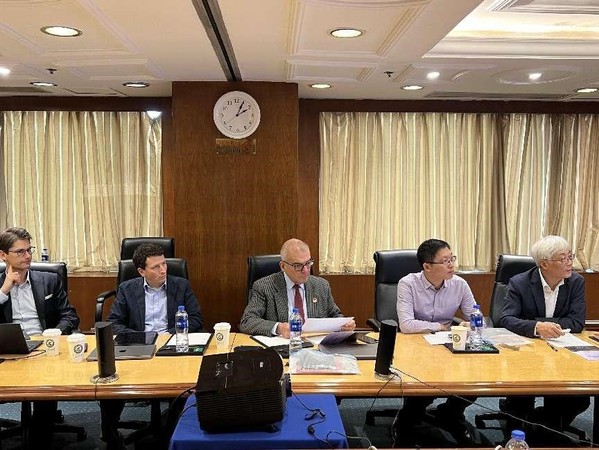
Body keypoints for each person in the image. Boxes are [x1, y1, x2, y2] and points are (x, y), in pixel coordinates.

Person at [101, 242, 203, 449]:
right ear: (141, 271)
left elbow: (195, 319)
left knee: (183, 387)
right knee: (110, 383)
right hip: (139, 346)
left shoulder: (181, 285)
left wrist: (169, 335)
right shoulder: (127, 289)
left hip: (172, 345)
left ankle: (172, 433)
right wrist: (144, 337)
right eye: (156, 267)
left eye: (164, 264)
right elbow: (115, 323)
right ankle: (111, 436)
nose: (163, 270)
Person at [498, 235, 589, 444]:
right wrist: (537, 327)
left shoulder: (576, 282)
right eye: (563, 258)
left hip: (563, 353)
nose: (570, 262)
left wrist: (541, 324)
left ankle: (543, 428)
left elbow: (577, 322)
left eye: (570, 256)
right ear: (544, 264)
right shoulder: (520, 282)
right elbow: (505, 318)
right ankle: (524, 433)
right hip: (525, 353)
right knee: (521, 395)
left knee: (580, 397)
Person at [0, 226, 80, 446]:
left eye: (29, 250)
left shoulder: (49, 280)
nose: (27, 256)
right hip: (7, 351)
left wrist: (53, 334)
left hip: (44, 348)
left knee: (46, 390)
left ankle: (40, 440)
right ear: (3, 255)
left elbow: (70, 315)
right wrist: (4, 290)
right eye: (20, 251)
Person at [395, 238, 479, 446]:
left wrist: (472, 324)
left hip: (448, 345)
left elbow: (477, 318)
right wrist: (440, 327)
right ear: (427, 266)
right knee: (423, 385)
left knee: (475, 378)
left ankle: (451, 412)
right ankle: (408, 420)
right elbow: (406, 324)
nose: (452, 265)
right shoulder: (408, 284)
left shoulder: (460, 284)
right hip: (416, 347)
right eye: (445, 261)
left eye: (452, 259)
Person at [239, 238, 355, 337]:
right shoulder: (264, 286)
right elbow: (247, 321)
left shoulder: (321, 285)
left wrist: (345, 324)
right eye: (298, 265)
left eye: (308, 263)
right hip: (283, 347)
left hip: (316, 347)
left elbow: (335, 315)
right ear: (283, 266)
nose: (305, 270)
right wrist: (279, 328)